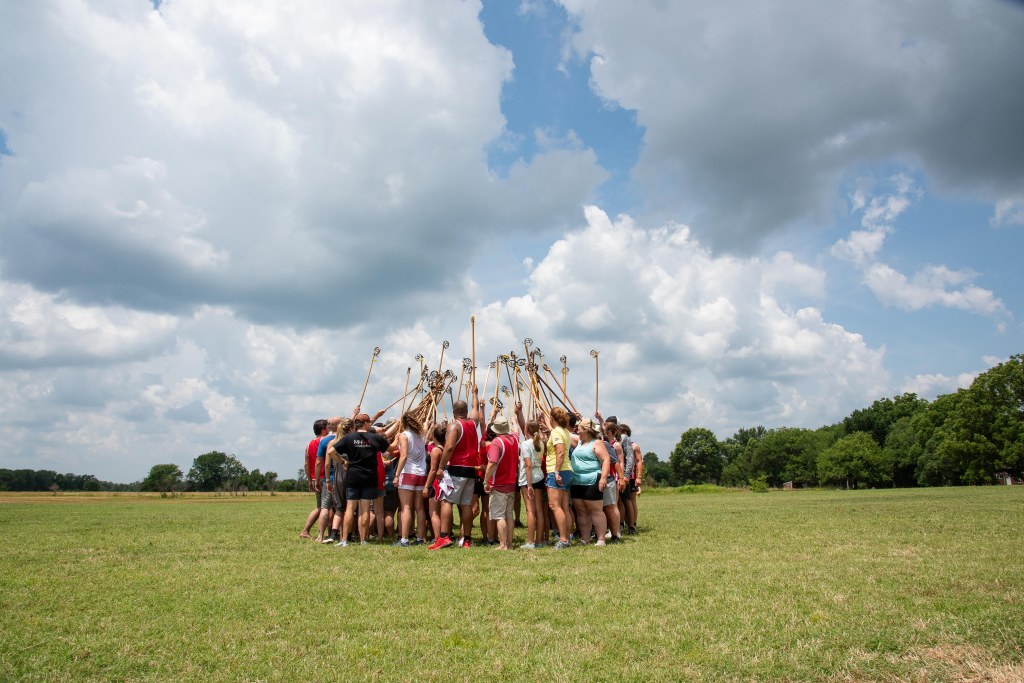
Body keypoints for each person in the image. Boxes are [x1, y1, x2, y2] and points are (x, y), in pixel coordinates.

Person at [429, 386, 482, 550]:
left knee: (446, 501)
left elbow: (449, 447)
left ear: (454, 412)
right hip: (470, 470)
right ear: (465, 411)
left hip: (456, 469)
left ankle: (444, 537)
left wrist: (441, 467)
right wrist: (475, 394)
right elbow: (475, 408)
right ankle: (466, 539)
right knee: (466, 504)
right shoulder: (473, 423)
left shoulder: (454, 426)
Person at [331, 413, 394, 545]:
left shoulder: (349, 437)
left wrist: (343, 462)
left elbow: (331, 452)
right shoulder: (374, 437)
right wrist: (398, 438)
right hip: (369, 477)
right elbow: (392, 449)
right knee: (365, 509)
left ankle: (344, 540)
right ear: (366, 424)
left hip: (353, 475)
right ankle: (363, 539)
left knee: (350, 508)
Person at [569, 418, 610, 546]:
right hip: (577, 481)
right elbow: (561, 431)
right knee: (581, 511)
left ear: (586, 430)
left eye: (579, 428)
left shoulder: (597, 443)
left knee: (595, 510)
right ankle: (585, 538)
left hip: (593, 480)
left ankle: (601, 539)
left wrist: (603, 478)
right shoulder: (579, 442)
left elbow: (606, 460)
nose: (577, 430)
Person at [482, 416, 520, 550]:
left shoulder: (497, 442)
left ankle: (503, 544)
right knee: (509, 515)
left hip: (499, 484)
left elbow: (492, 463)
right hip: (511, 483)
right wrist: (515, 422)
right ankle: (509, 544)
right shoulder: (514, 439)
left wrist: (486, 480)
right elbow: (516, 431)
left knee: (499, 516)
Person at [392, 413, 428, 546]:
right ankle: (419, 538)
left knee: (406, 507)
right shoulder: (421, 435)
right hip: (421, 473)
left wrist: (396, 474)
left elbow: (404, 455)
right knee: (419, 508)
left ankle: (404, 539)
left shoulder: (404, 435)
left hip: (408, 472)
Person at [542, 406, 574, 550]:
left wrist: (555, 472)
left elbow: (560, 452)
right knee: (565, 507)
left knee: (554, 506)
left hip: (558, 471)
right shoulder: (564, 431)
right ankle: (567, 536)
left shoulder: (556, 432)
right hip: (567, 470)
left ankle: (563, 539)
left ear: (552, 418)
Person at [514, 402, 545, 549]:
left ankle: (531, 541)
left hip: (529, 479)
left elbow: (528, 465)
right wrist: (519, 413)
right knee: (538, 509)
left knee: (530, 511)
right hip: (539, 476)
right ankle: (539, 540)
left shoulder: (526, 445)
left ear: (527, 430)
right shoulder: (541, 443)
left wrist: (529, 484)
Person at [313, 416, 343, 543]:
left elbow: (319, 462)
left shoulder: (324, 441)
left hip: (328, 478)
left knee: (325, 507)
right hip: (342, 478)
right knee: (341, 508)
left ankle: (321, 535)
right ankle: (342, 535)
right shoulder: (345, 438)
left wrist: (318, 479)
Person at [300, 418, 329, 539]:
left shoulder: (309, 444)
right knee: (326, 507)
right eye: (328, 427)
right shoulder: (325, 441)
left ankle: (306, 531)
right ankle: (320, 533)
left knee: (319, 507)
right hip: (324, 477)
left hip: (314, 478)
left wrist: (310, 480)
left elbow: (306, 464)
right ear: (323, 430)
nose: (329, 430)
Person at [619, 423, 640, 534]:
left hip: (630, 477)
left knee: (630, 501)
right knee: (623, 501)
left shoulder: (634, 446)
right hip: (622, 476)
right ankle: (623, 524)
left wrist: (639, 477)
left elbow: (639, 462)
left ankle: (632, 525)